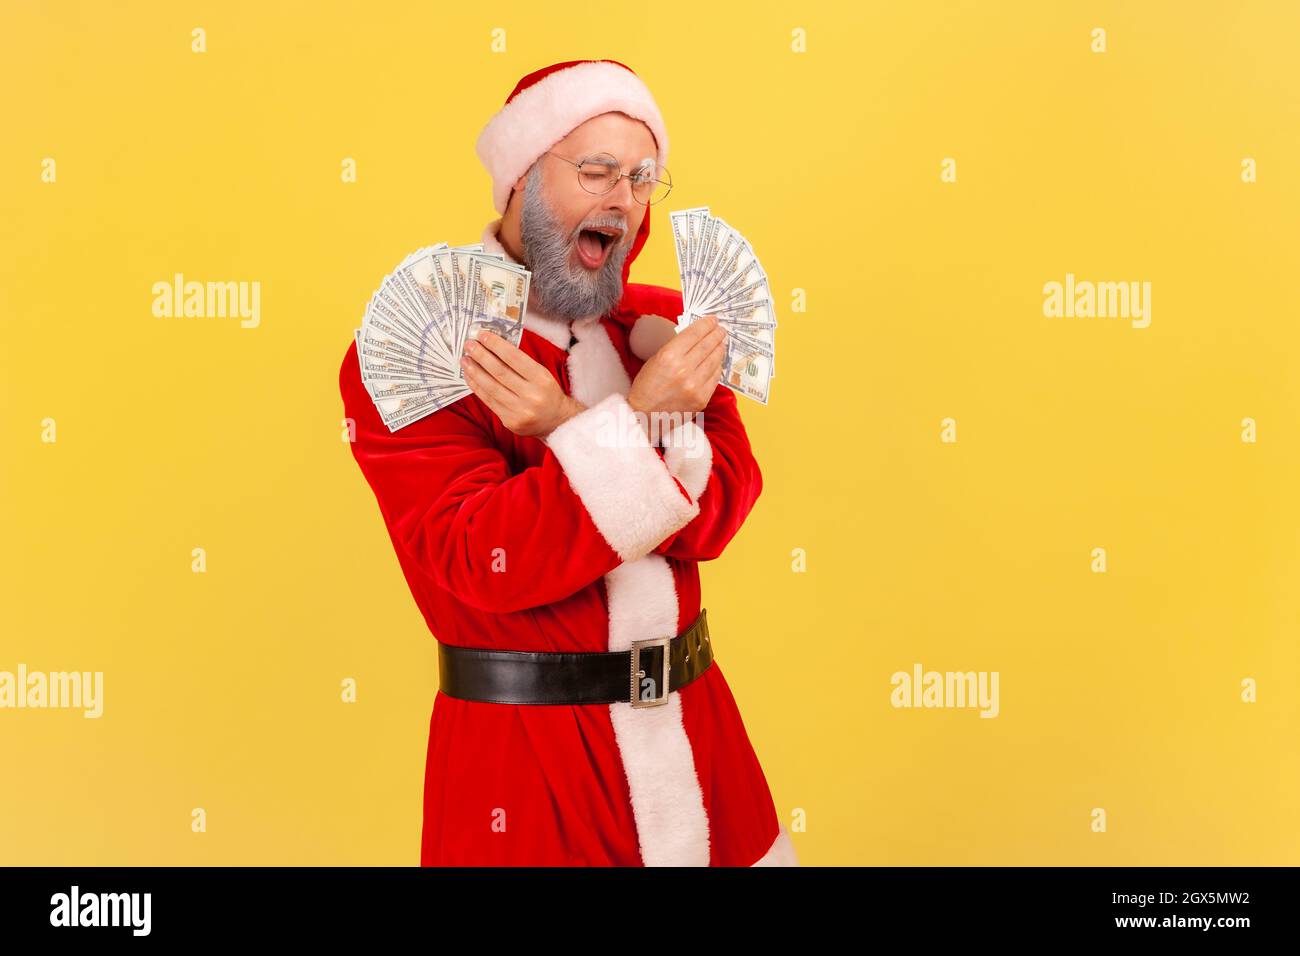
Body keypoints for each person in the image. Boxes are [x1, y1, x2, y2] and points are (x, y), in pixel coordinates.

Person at [338, 58, 798, 866]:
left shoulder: (661, 330)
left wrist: (571, 423)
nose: (622, 199)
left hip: (702, 745)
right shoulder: (421, 351)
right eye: (595, 171)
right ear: (519, 178)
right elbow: (483, 559)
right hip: (523, 771)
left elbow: (720, 507)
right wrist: (643, 417)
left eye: (641, 177)